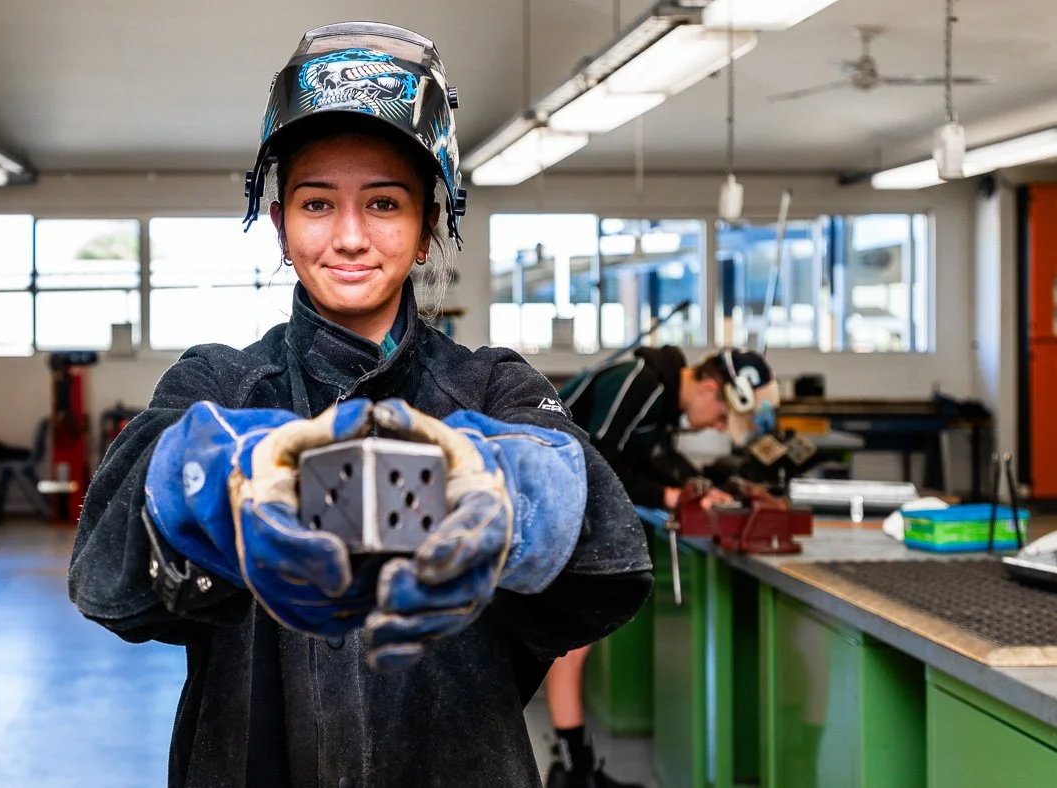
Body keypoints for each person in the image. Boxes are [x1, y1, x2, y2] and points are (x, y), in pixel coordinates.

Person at [68, 22, 652, 787]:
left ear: (426, 228)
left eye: (382, 202)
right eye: (316, 204)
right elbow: (105, 578)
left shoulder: (492, 387)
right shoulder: (214, 386)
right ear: (279, 227)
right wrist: (223, 484)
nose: (348, 236)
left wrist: (504, 489)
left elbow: (608, 558)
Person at [541, 346, 780, 788]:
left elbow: (648, 460)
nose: (717, 425)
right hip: (558, 500)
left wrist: (694, 487)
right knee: (571, 646)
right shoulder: (641, 383)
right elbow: (601, 462)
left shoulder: (660, 397)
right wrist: (672, 497)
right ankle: (570, 772)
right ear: (710, 387)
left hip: (574, 502)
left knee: (577, 645)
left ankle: (573, 764)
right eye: (722, 415)